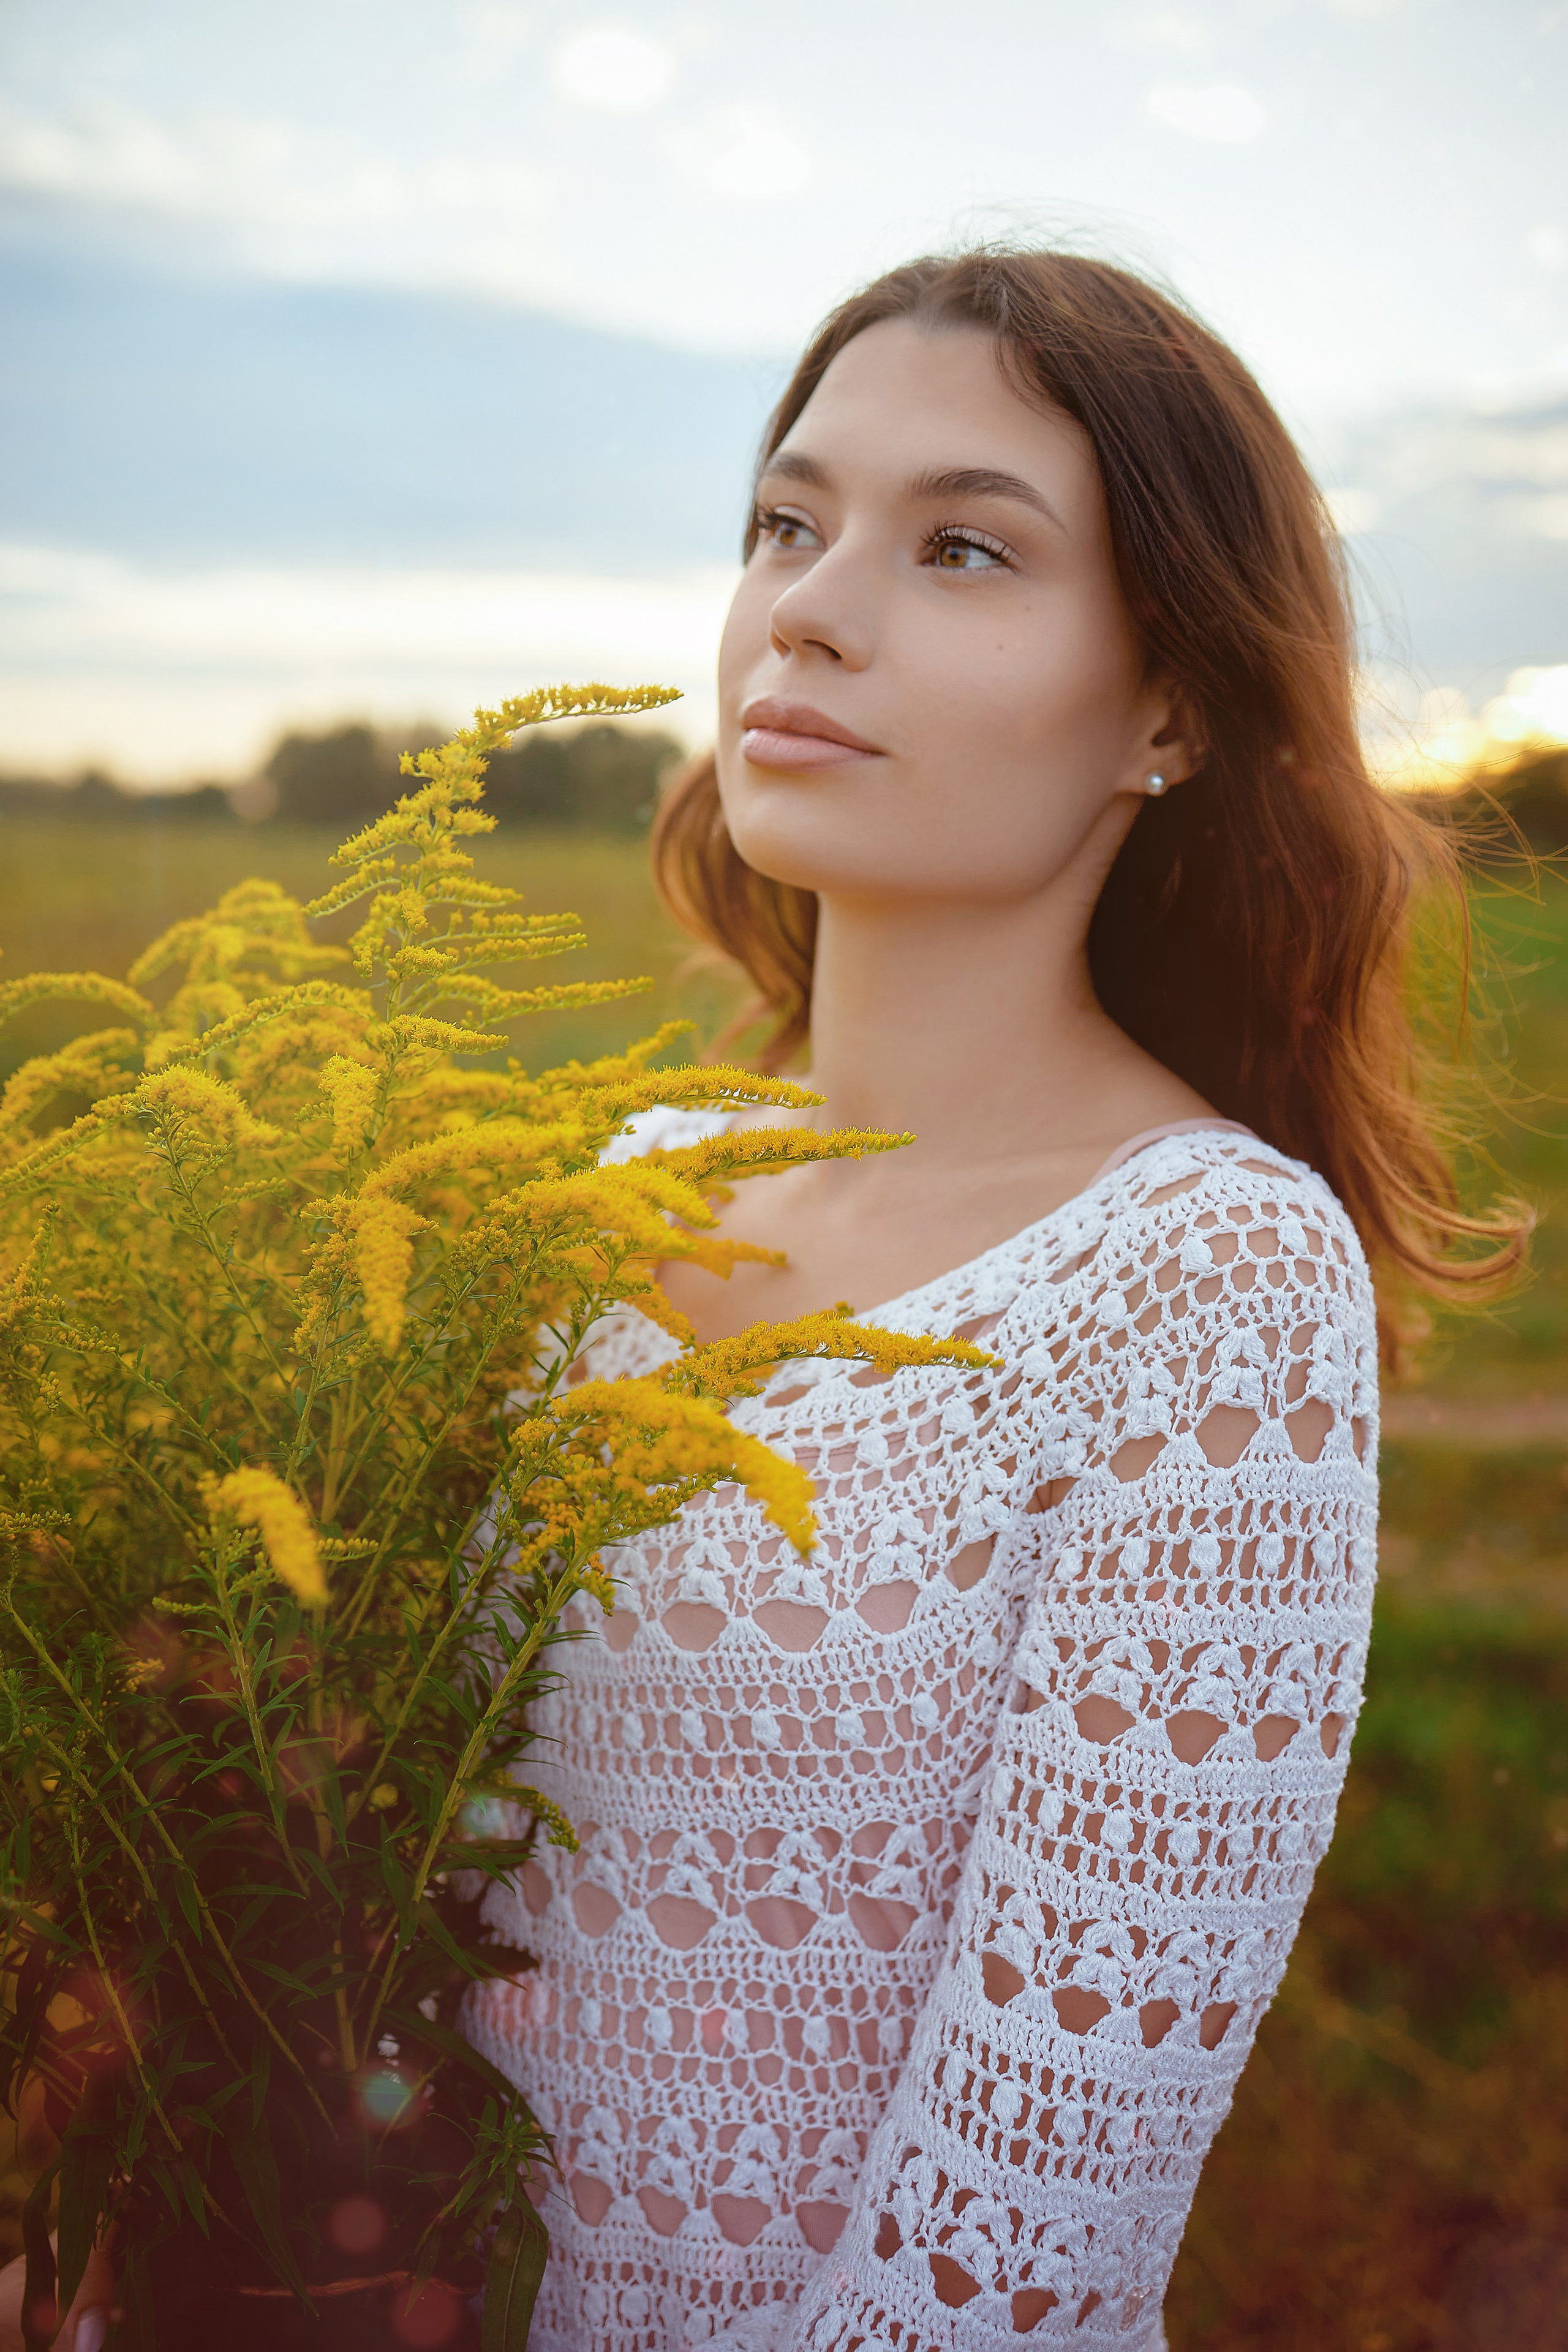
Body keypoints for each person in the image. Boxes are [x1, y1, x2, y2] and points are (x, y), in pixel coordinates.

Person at [462, 247, 1525, 2350]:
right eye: (788, 521)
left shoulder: (1205, 1279)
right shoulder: (580, 1202)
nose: (810, 606)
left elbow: (1018, 2244)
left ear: (1173, 705)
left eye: (962, 546)